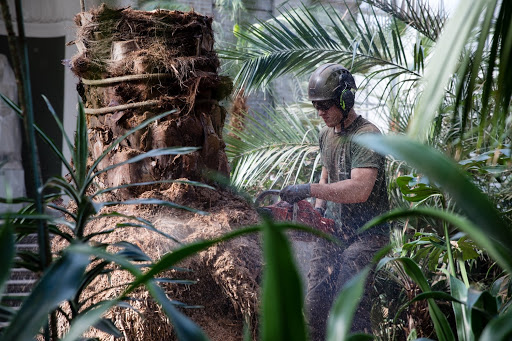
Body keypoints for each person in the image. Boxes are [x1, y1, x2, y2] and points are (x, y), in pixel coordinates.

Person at [280, 63, 390, 340]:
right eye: (316, 106)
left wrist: (308, 189)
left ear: (345, 99)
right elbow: (327, 171)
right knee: (314, 303)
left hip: (368, 235)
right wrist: (318, 214)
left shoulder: (367, 136)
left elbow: (359, 189)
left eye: (325, 106)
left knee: (348, 302)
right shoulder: (326, 135)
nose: (320, 113)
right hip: (335, 231)